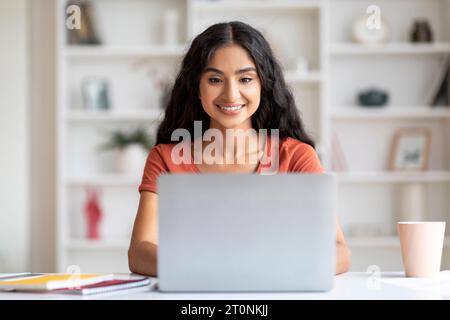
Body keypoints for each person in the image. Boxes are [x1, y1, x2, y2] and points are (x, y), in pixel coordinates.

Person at [128, 21, 351, 277]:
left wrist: (272, 270)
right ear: (196, 88)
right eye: (215, 79)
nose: (231, 94)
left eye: (245, 79)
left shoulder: (297, 157)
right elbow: (139, 252)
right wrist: (210, 271)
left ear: (262, 86)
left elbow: (340, 251)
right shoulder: (166, 159)